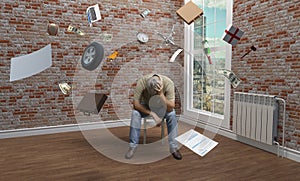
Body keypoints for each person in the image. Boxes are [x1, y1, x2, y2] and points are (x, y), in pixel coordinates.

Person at [125, 74, 182, 160]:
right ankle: (133, 147)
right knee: (135, 113)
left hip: (162, 106)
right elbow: (136, 104)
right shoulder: (142, 82)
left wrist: (161, 94)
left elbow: (170, 107)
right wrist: (152, 114)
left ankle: (173, 147)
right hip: (148, 106)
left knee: (172, 114)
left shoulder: (168, 83)